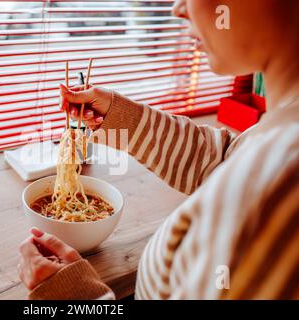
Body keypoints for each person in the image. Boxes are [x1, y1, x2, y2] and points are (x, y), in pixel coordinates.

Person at [18, 0, 299, 299]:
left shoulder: (280, 190)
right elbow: (226, 160)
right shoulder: (283, 127)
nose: (178, 8)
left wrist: (74, 294)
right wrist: (121, 118)